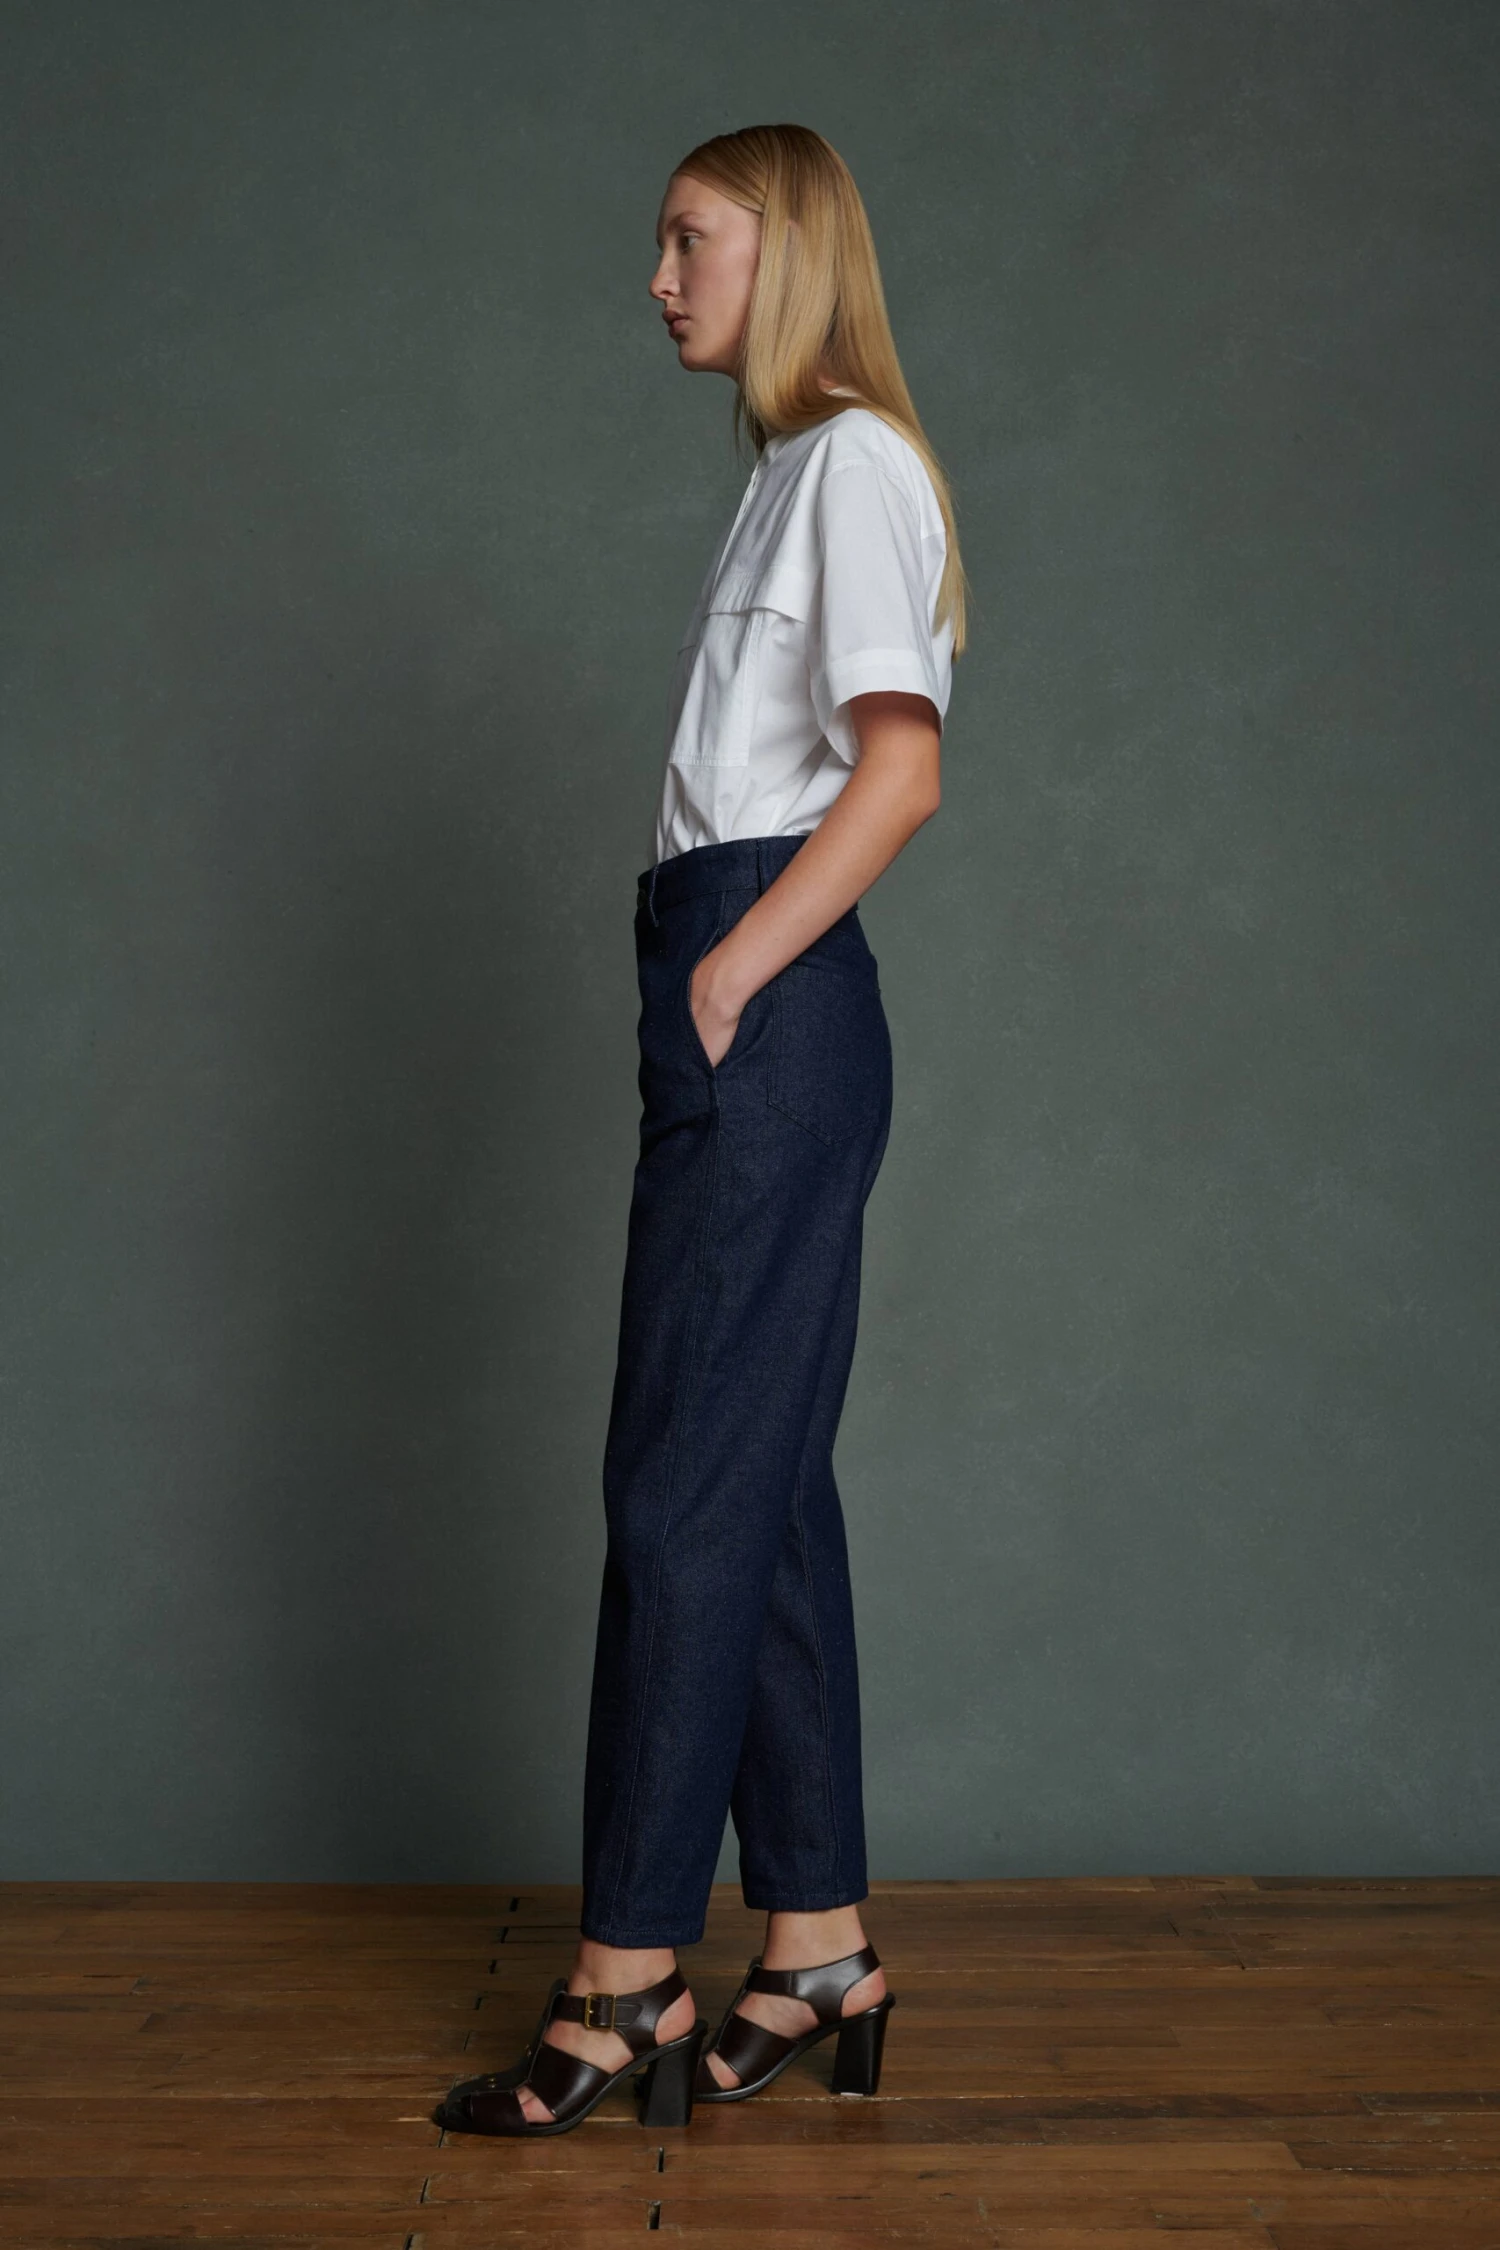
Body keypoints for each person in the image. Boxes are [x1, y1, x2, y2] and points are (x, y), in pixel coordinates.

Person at [436, 122, 968, 2140]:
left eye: (691, 240)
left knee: (678, 1486)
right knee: (757, 1489)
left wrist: (732, 971)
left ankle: (625, 1975)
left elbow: (899, 770)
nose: (659, 278)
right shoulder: (786, 477)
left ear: (791, 249)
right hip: (732, 981)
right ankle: (817, 1942)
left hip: (765, 990)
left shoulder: (853, 465)